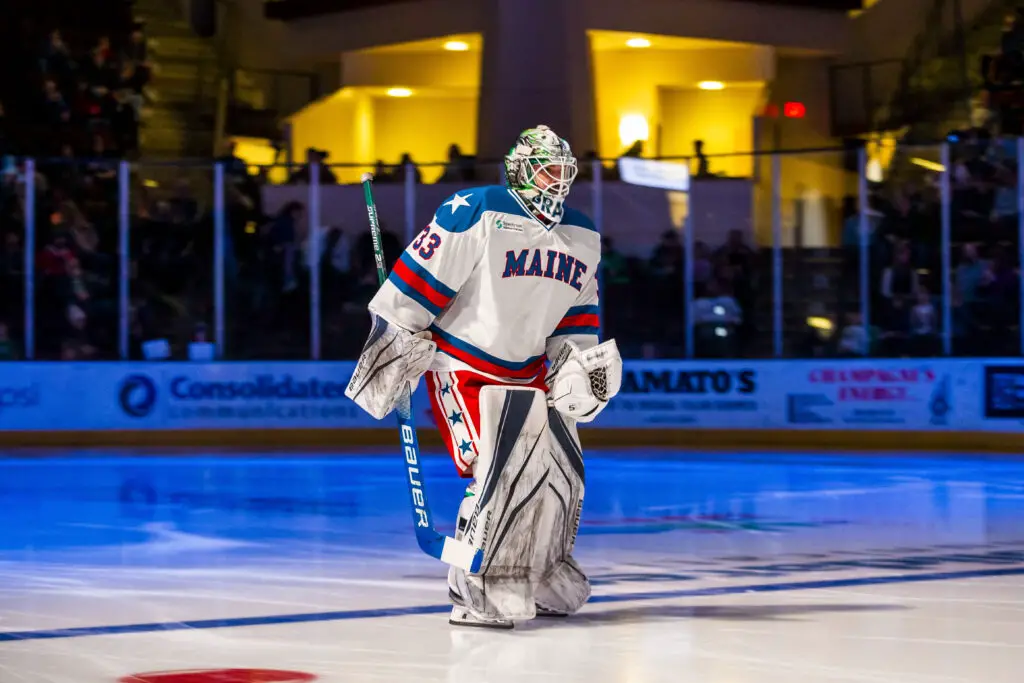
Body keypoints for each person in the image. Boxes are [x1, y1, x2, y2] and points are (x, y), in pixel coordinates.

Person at [345, 125, 622, 629]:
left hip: (533, 371)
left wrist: (577, 366)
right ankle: (475, 586)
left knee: (561, 473)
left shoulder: (581, 234)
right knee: (497, 470)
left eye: (564, 170)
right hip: (465, 364)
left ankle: (541, 570)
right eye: (547, 168)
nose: (557, 179)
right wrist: (397, 339)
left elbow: (575, 317)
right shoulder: (477, 208)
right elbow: (420, 278)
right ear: (520, 169)